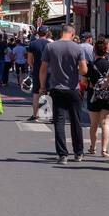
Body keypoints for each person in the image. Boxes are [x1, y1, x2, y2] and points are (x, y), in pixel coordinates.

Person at [38, 24, 88, 166]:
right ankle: (78, 153)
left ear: (62, 33)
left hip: (56, 88)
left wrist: (42, 86)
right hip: (73, 89)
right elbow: (84, 71)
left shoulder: (50, 47)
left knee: (59, 122)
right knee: (75, 121)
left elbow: (43, 69)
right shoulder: (78, 48)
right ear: (73, 34)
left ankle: (62, 155)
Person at [86, 37, 109, 157]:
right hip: (108, 95)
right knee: (106, 123)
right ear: (106, 50)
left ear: (94, 51)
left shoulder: (90, 65)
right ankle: (104, 150)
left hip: (94, 96)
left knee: (94, 124)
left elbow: (84, 80)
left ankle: (93, 147)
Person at [26, 26, 52, 120]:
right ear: (47, 33)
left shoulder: (32, 44)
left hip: (37, 71)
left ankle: (34, 115)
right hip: (48, 71)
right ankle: (46, 115)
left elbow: (29, 60)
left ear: (38, 33)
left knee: (36, 93)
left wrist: (33, 67)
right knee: (47, 92)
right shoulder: (50, 44)